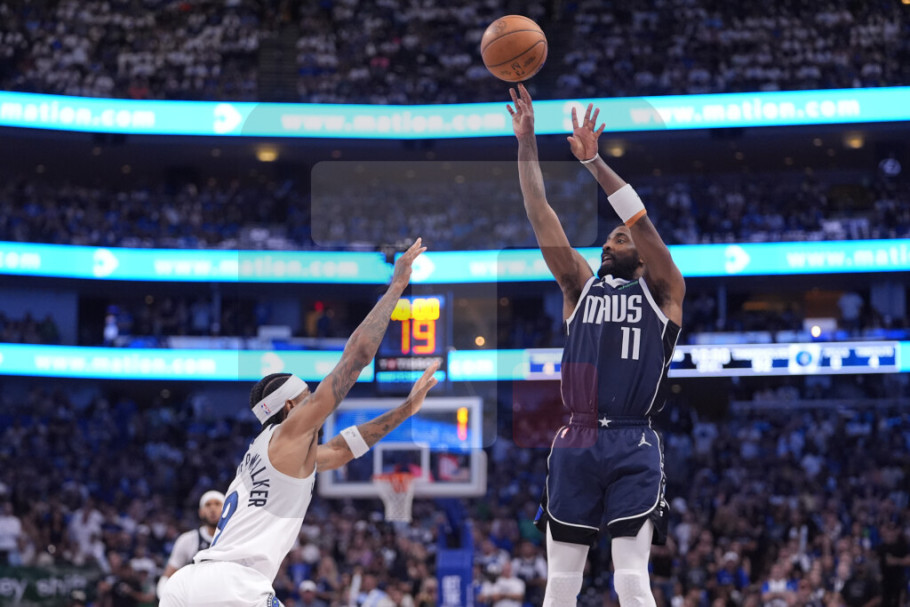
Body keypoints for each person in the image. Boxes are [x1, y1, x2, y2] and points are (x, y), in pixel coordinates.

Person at [161, 239, 439, 607]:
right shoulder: (289, 432)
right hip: (235, 585)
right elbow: (357, 357)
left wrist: (406, 409)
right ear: (291, 405)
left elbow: (341, 449)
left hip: (191, 582)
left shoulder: (275, 452)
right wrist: (397, 285)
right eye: (309, 396)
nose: (315, 401)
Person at [508, 83, 685, 607]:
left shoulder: (664, 292)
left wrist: (593, 164)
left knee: (629, 579)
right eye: (607, 239)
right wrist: (527, 142)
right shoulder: (579, 286)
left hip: (633, 439)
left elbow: (640, 221)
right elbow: (538, 210)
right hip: (576, 436)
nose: (609, 243)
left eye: (619, 239)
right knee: (561, 584)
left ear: (643, 255)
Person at [156, 490, 225, 597]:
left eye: (217, 504)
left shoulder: (235, 538)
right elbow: (167, 577)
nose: (212, 509)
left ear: (227, 509)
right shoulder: (187, 540)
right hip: (196, 598)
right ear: (201, 512)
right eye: (208, 505)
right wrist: (164, 598)